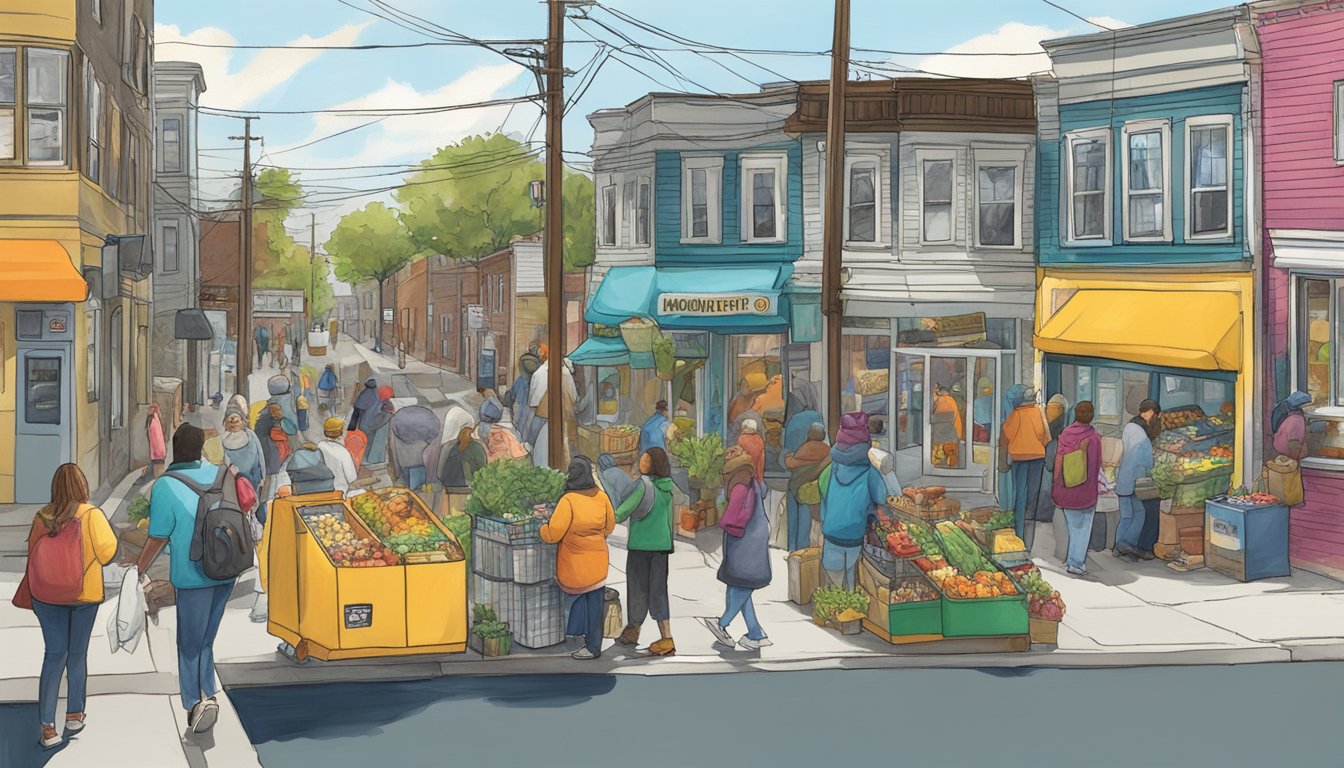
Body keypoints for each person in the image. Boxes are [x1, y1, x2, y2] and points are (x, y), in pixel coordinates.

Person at [135, 425, 234, 735]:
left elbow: (157, 537)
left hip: (193, 575)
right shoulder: (221, 473)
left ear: (175, 448)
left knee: (189, 644)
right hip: (226, 568)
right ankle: (209, 694)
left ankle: (194, 704)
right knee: (206, 639)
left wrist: (138, 568)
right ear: (202, 446)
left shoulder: (165, 484)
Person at [22, 464, 116, 749]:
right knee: (77, 655)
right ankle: (74, 714)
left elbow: (32, 555)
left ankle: (47, 728)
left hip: (47, 596)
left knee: (53, 656)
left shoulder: (42, 517)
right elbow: (108, 552)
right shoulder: (91, 515)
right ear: (82, 486)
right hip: (83, 596)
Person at [540, 456, 615, 660]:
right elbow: (610, 526)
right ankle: (593, 644)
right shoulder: (601, 497)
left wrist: (542, 527)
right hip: (598, 560)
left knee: (576, 598)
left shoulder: (568, 500)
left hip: (575, 563)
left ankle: (582, 642)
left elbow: (553, 533)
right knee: (595, 603)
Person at [700, 446, 772, 650]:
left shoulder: (739, 482)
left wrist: (723, 522)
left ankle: (722, 623)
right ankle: (755, 633)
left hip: (744, 539)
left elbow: (733, 513)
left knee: (741, 584)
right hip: (753, 536)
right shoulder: (751, 479)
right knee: (738, 584)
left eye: (730, 454)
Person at [613, 447, 677, 656]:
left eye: (646, 460)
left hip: (641, 546)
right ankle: (666, 637)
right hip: (662, 547)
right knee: (658, 591)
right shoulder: (668, 487)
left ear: (653, 465)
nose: (641, 461)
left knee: (638, 589)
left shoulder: (643, 485)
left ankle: (634, 630)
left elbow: (621, 513)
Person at [819, 413, 887, 590]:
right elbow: (882, 497)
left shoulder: (832, 468)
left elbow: (822, 486)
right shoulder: (870, 472)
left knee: (832, 578)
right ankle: (850, 612)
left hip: (831, 531)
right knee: (852, 578)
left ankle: (833, 613)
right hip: (854, 534)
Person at [1052, 401, 1102, 577]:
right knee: (1082, 528)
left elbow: (1058, 463)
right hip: (1084, 492)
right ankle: (1075, 563)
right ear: (1092, 415)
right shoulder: (1094, 438)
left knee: (1072, 527)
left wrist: (1058, 484)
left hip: (1065, 490)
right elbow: (1095, 466)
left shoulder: (1065, 434)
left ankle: (1070, 558)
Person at [1115, 399, 1161, 561]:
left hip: (1124, 478)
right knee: (1140, 513)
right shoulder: (1141, 436)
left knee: (1127, 515)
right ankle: (1125, 543)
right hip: (1135, 480)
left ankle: (1118, 547)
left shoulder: (1130, 426)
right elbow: (1142, 461)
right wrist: (1148, 473)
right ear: (1152, 413)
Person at [1002, 386, 1050, 539]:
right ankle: (1030, 529)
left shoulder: (1015, 414)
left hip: (1019, 458)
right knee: (1033, 492)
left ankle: (1019, 532)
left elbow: (1005, 435)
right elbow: (1045, 435)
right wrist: (1037, 445)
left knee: (1019, 494)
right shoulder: (1038, 412)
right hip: (1037, 457)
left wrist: (1009, 451)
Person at [784, 423, 830, 552]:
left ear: (810, 434)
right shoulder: (828, 451)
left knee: (793, 522)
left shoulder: (803, 448)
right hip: (813, 492)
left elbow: (791, 463)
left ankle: (792, 550)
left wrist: (786, 456)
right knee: (806, 524)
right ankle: (802, 552)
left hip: (795, 487)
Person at [528, 355, 578, 468]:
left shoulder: (537, 374)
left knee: (536, 448)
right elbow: (574, 397)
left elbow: (533, 401)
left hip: (542, 417)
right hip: (564, 416)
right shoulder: (566, 374)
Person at [388, 404, 442, 490]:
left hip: (407, 463)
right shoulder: (430, 423)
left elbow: (392, 451)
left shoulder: (398, 423)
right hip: (420, 463)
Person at [221, 405, 265, 502]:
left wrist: (263, 477)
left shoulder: (250, 435)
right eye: (231, 422)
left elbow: (260, 457)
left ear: (242, 421)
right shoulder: (223, 439)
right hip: (234, 484)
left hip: (254, 479)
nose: (234, 424)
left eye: (237, 421)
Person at [506, 350, 543, 447]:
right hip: (533, 411)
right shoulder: (538, 378)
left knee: (522, 434)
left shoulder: (520, 380)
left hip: (525, 411)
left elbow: (511, 397)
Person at [315, 418, 359, 492]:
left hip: (321, 489)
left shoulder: (319, 446)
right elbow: (352, 478)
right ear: (340, 432)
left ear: (325, 432)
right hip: (340, 491)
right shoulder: (343, 452)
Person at [931, 384, 965, 468]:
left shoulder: (936, 401)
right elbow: (956, 419)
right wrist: (959, 435)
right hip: (950, 436)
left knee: (937, 459)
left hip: (937, 436)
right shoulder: (951, 400)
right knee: (951, 458)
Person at [1272, 390, 1312, 461]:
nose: (1312, 408)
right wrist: (1294, 461)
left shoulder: (1291, 417)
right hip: (1287, 457)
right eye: (1309, 405)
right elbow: (1293, 443)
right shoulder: (1297, 420)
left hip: (1281, 454)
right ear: (1301, 406)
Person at [362, 386, 396, 466]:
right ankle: (372, 460)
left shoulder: (374, 400)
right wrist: (390, 415)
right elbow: (374, 422)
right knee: (371, 445)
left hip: (365, 425)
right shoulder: (379, 406)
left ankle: (367, 460)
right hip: (369, 428)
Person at [146, 403, 167, 477]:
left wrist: (156, 452)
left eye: (151, 409)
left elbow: (157, 437)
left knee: (158, 474)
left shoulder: (154, 420)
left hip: (157, 452)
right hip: (158, 452)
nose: (148, 411)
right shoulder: (154, 419)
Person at [972, 377, 995, 444]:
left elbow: (974, 416)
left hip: (980, 426)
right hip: (991, 424)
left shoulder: (976, 402)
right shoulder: (993, 400)